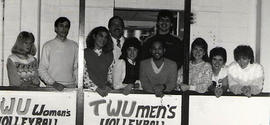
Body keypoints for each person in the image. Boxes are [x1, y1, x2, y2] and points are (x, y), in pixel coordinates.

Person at [39, 17, 78, 91]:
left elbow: (77, 68)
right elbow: (42, 69)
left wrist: (77, 84)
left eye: (66, 26)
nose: (64, 29)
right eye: (61, 26)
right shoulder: (48, 46)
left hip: (71, 87)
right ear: (55, 28)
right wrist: (54, 83)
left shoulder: (74, 46)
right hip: (53, 87)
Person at [83, 26, 114, 97]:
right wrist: (97, 89)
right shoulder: (84, 53)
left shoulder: (110, 55)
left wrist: (108, 86)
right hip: (88, 92)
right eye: (101, 36)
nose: (103, 39)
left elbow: (111, 74)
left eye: (106, 37)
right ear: (94, 36)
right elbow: (84, 76)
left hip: (105, 92)